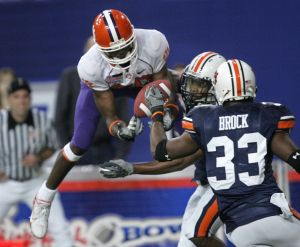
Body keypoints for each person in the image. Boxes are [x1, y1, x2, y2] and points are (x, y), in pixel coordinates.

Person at [30, 9, 178, 238]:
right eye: (114, 52)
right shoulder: (91, 64)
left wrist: (164, 111)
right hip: (109, 86)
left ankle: (194, 157)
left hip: (142, 82)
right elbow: (107, 107)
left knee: (178, 101)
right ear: (99, 49)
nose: (122, 56)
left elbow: (161, 81)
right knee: (79, 142)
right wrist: (116, 126)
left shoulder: (153, 41)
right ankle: (43, 198)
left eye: (126, 47)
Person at [144, 59, 300, 246]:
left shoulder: (203, 119)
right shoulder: (267, 115)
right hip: (273, 217)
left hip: (239, 230)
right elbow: (295, 159)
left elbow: (160, 151)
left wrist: (156, 114)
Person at [99, 52, 227, 247]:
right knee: (192, 241)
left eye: (198, 85)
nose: (191, 91)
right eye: (190, 84)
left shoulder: (213, 119)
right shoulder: (210, 113)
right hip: (212, 184)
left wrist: (156, 116)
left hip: (227, 187)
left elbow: (175, 159)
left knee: (198, 237)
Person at [0, 78, 74, 247]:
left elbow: (52, 145)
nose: (21, 101)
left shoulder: (42, 119)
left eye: (25, 96)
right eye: (16, 96)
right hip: (5, 184)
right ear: (9, 99)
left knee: (60, 228)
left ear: (30, 99)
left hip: (35, 182)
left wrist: (39, 157)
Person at [54, 36, 131, 164]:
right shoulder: (70, 76)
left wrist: (120, 156)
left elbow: (124, 119)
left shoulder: (116, 78)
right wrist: (67, 152)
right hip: (76, 149)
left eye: (100, 53)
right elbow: (60, 118)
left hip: (106, 150)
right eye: (93, 52)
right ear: (85, 54)